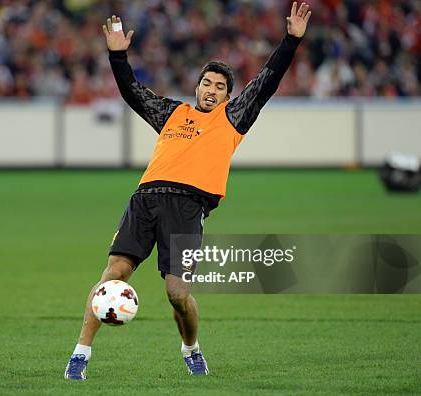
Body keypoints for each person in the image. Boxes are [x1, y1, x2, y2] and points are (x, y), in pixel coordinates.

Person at [64, 2, 311, 380]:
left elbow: (265, 82)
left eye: (220, 87)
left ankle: (191, 349)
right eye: (207, 83)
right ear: (196, 86)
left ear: (227, 95)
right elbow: (133, 92)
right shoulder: (172, 113)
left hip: (188, 208)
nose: (212, 91)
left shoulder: (232, 118)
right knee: (113, 274)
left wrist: (291, 41)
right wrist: (117, 55)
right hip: (145, 200)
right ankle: (80, 355)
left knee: (177, 294)